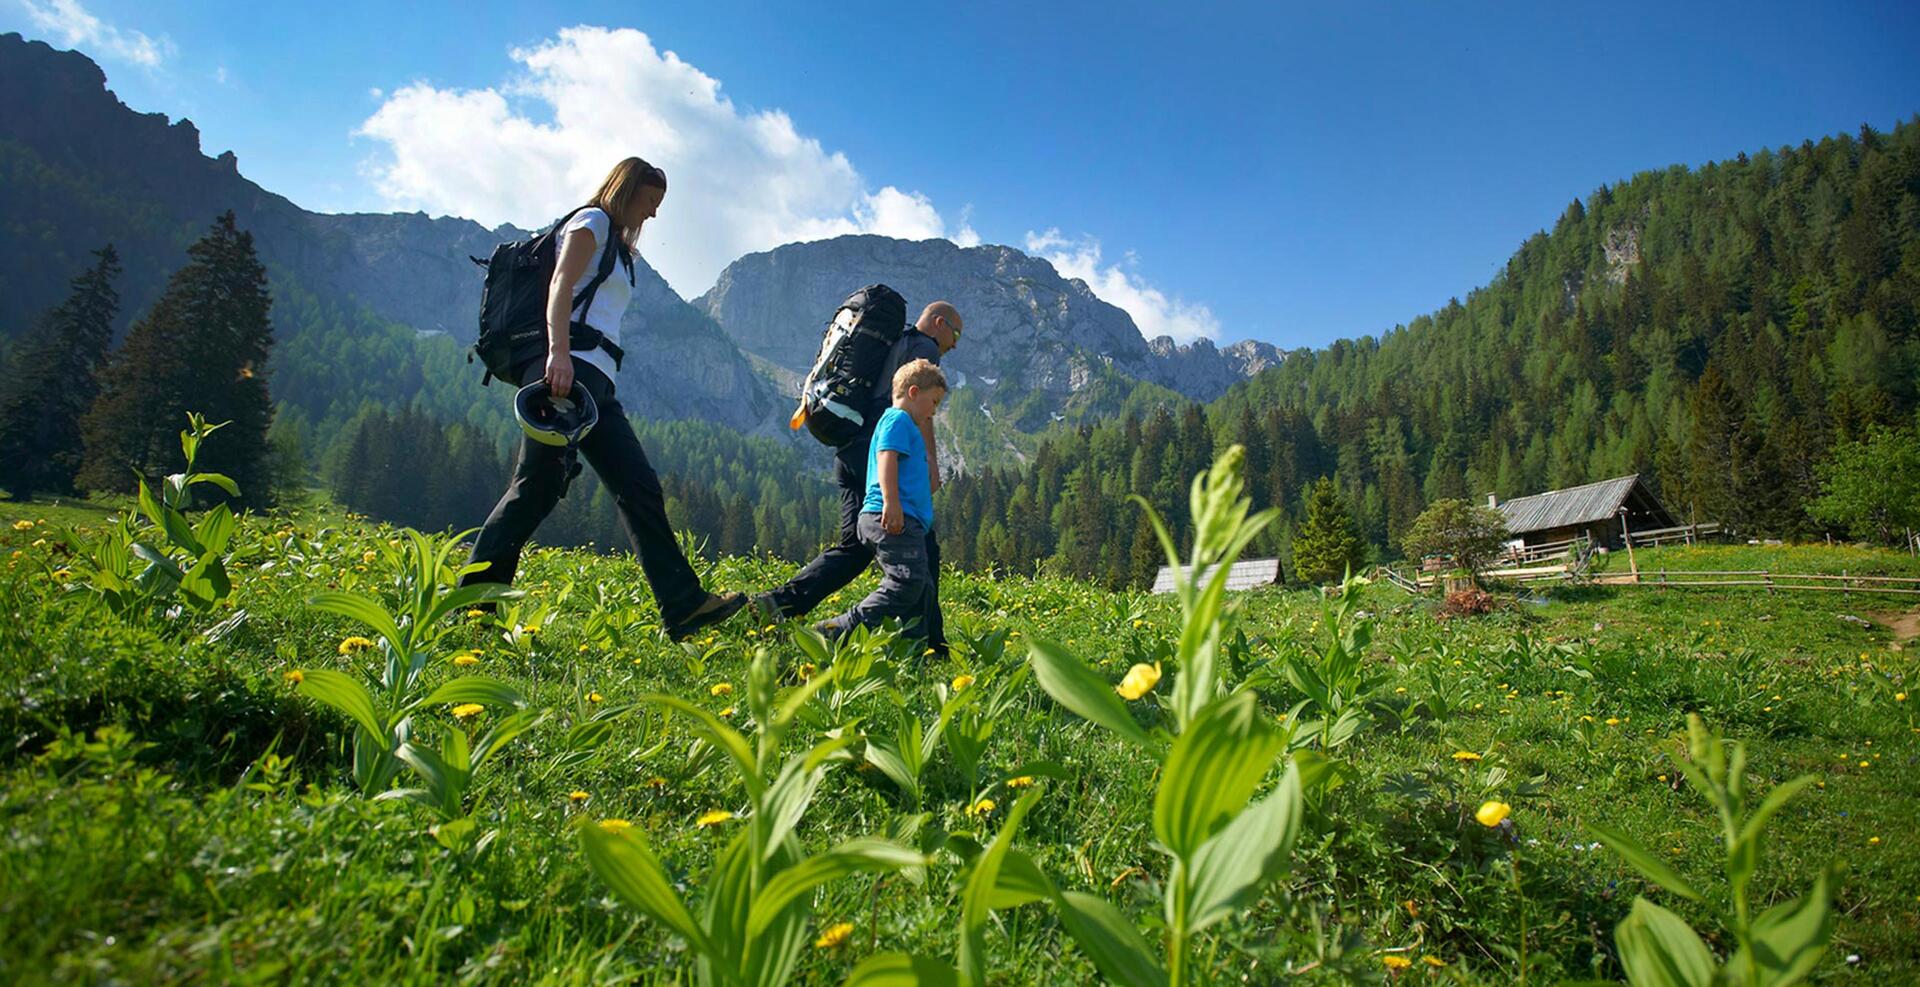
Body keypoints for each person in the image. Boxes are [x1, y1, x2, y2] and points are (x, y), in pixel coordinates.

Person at [463, 157, 746, 641]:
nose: (653, 215)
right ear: (626, 189)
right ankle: (470, 609)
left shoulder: (615, 244)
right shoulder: (591, 221)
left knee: (634, 485)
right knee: (537, 485)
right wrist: (558, 355)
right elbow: (560, 285)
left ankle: (684, 606)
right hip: (566, 371)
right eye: (649, 202)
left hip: (593, 380)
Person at [753, 301, 962, 654]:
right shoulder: (925, 349)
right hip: (885, 456)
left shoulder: (895, 341)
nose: (954, 344)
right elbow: (919, 413)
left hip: (851, 447)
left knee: (855, 544)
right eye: (954, 334)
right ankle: (928, 642)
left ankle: (777, 604)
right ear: (938, 323)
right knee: (920, 547)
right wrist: (931, 462)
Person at [814, 358, 948, 642]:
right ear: (913, 393)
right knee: (906, 582)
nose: (934, 411)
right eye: (933, 402)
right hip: (890, 517)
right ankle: (837, 629)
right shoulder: (897, 419)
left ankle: (915, 650)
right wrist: (892, 502)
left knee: (920, 588)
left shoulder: (904, 425)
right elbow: (886, 456)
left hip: (905, 520)